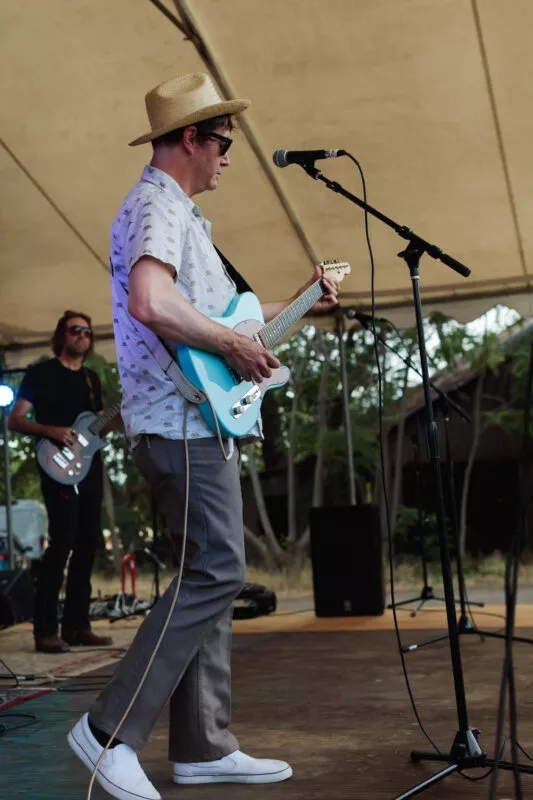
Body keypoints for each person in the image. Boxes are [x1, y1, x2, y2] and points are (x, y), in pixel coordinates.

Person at [67, 73, 339, 800]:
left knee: (207, 577)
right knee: (215, 569)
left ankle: (203, 745)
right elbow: (152, 302)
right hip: (178, 423)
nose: (227, 157)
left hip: (196, 419)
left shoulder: (182, 217)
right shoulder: (157, 204)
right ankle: (107, 730)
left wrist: (303, 302)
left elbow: (230, 324)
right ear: (190, 137)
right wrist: (233, 345)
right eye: (222, 143)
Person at [8, 311, 113, 653]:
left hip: (90, 465)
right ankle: (44, 630)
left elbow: (94, 429)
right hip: (55, 465)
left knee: (87, 543)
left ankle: (77, 627)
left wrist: (108, 422)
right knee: (62, 541)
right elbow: (16, 419)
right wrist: (50, 430)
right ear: (61, 335)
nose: (82, 335)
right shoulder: (40, 373)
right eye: (75, 330)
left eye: (86, 331)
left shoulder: (91, 379)